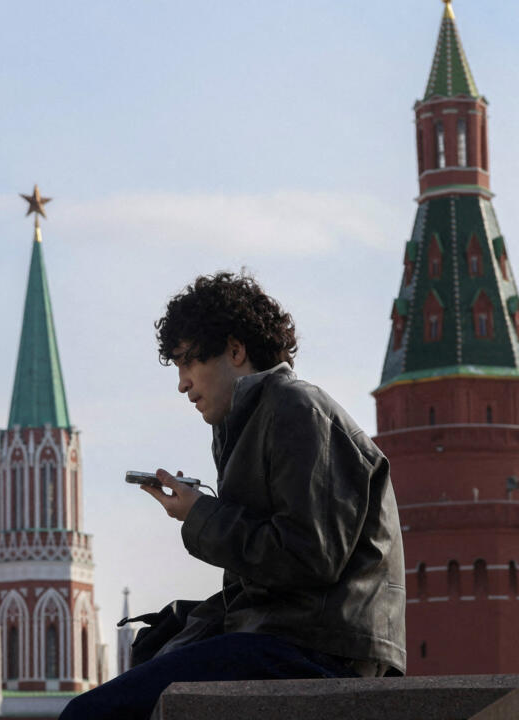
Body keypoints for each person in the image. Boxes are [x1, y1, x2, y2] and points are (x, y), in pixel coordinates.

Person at [60, 271, 405, 720]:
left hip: (323, 651)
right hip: (293, 639)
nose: (182, 383)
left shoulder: (296, 408)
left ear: (235, 350)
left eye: (188, 362)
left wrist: (200, 514)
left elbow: (309, 556)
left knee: (91, 715)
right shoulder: (246, 422)